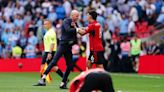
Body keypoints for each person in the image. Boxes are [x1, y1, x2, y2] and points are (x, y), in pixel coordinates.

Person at [34, 10, 80, 89]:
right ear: (72, 15)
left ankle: (63, 82)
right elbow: (69, 30)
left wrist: (80, 29)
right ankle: (43, 78)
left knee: (69, 65)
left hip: (67, 47)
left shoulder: (74, 24)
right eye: (76, 16)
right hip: (62, 45)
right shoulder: (66, 21)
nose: (78, 17)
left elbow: (77, 31)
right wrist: (77, 29)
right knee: (53, 62)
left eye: (78, 16)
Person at [34, 20, 64, 85]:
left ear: (50, 24)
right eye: (44, 24)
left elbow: (52, 44)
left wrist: (50, 53)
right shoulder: (48, 32)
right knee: (50, 66)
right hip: (47, 51)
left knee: (51, 66)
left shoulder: (51, 32)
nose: (44, 25)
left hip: (50, 51)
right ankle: (43, 81)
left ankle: (43, 81)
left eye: (46, 24)